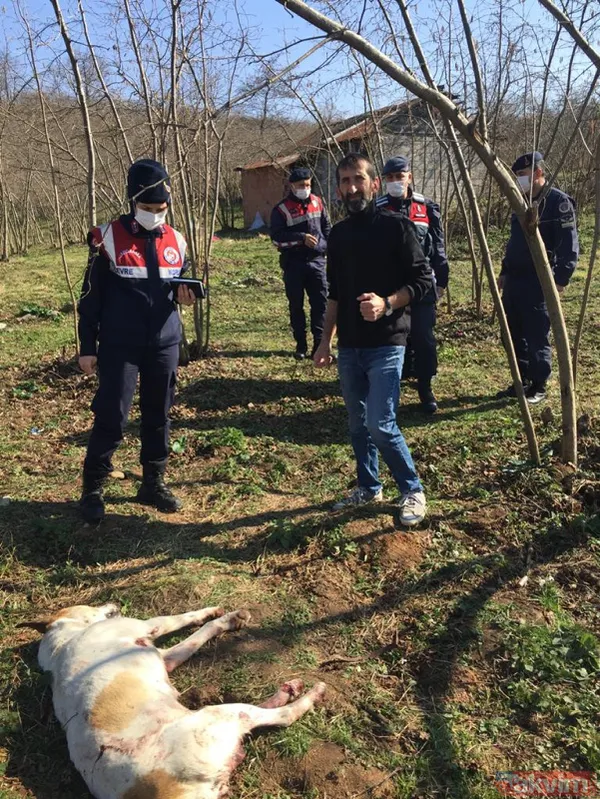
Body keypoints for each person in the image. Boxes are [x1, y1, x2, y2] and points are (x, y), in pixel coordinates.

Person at [314, 153, 433, 526]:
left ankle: (412, 489)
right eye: (345, 181)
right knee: (357, 422)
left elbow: (423, 281)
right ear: (338, 189)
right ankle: (369, 485)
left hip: (387, 341)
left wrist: (387, 304)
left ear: (374, 184)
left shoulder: (397, 227)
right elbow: (334, 292)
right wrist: (324, 341)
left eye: (359, 179)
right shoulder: (339, 235)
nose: (352, 187)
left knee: (381, 423)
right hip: (350, 345)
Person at [77, 158, 196, 524]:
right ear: (133, 202)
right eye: (147, 208)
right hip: (119, 345)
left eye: (161, 209)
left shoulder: (177, 239)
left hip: (164, 344)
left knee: (158, 414)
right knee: (112, 414)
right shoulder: (107, 238)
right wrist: (87, 346)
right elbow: (90, 297)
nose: (154, 215)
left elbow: (179, 285)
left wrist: (185, 295)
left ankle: (153, 482)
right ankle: (93, 487)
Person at [497, 151, 579, 405]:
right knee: (513, 332)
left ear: (538, 173)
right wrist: (504, 271)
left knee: (536, 332)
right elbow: (515, 242)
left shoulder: (557, 202)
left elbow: (569, 245)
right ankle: (521, 380)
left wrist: (560, 279)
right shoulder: (519, 202)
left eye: (522, 175)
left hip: (539, 279)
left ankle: (540, 383)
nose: (518, 180)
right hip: (515, 280)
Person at [376, 156, 449, 414]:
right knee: (393, 336)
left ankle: (425, 386)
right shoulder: (378, 208)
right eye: (390, 178)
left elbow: (437, 244)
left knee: (423, 336)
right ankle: (395, 380)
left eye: (400, 176)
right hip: (390, 284)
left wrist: (442, 277)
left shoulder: (426, 206)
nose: (396, 182)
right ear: (384, 181)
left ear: (410, 176)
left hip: (422, 282)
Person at [270, 167, 331, 359]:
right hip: (293, 263)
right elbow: (276, 238)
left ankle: (319, 345)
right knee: (296, 305)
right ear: (292, 186)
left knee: (320, 304)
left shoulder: (318, 202)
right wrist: (300, 238)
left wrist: (326, 248)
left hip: (317, 263)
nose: (305, 188)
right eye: (301, 185)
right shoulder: (281, 209)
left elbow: (327, 228)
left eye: (308, 185)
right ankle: (301, 345)